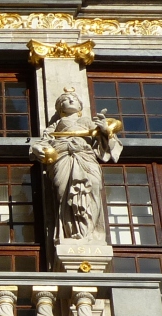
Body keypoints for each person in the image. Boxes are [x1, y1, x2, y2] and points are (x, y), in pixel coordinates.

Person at [31, 89, 122, 244]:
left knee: (93, 187)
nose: (71, 100)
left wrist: (106, 131)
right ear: (60, 107)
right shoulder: (56, 125)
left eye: (74, 99)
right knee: (62, 190)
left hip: (85, 157)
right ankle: (71, 231)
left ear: (80, 106)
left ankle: (89, 232)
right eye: (66, 99)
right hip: (64, 157)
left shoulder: (89, 122)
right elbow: (43, 141)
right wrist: (37, 148)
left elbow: (108, 145)